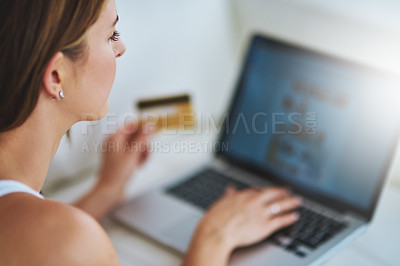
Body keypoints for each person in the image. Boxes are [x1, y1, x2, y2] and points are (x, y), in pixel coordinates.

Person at [0, 0, 302, 265]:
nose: (121, 48)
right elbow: (58, 246)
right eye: (111, 35)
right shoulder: (72, 241)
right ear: (56, 76)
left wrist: (108, 188)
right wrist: (213, 238)